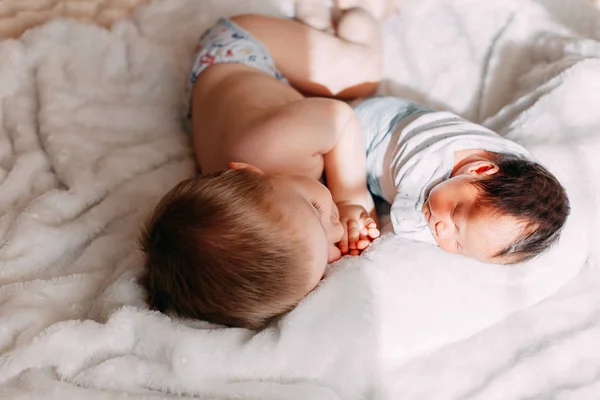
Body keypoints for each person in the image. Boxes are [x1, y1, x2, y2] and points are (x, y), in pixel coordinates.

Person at [139, 8, 383, 329]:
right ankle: (313, 30)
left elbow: (340, 120)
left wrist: (350, 195)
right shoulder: (248, 210)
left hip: (244, 49)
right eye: (327, 253)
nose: (337, 231)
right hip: (225, 96)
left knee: (361, 77)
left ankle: (363, 16)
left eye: (316, 210)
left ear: (250, 172)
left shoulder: (274, 145)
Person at [354, 96, 570, 264]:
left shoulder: (505, 162)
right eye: (454, 214)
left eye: (459, 246)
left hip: (393, 121)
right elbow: (403, 223)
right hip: (364, 134)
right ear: (481, 168)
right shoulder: (426, 167)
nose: (440, 230)